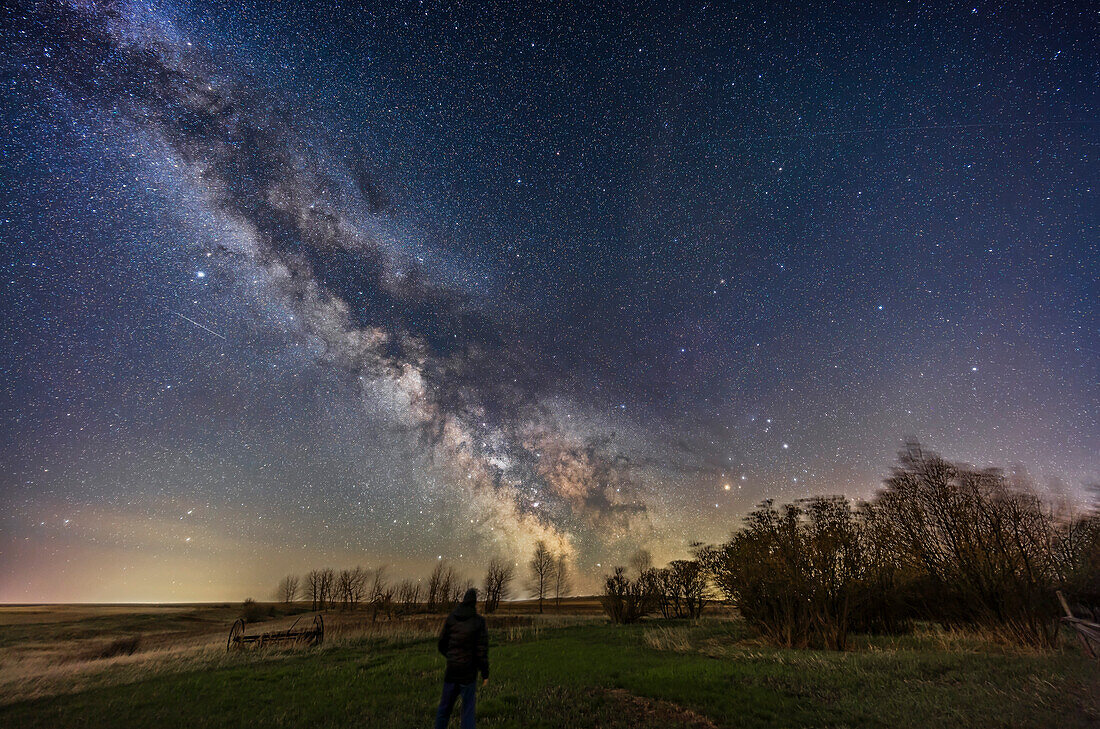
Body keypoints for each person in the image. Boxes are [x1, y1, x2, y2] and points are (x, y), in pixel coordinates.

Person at [434, 587, 489, 729]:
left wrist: (451, 657)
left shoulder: (452, 618)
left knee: (444, 709)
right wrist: (485, 673)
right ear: (474, 602)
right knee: (468, 712)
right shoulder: (478, 622)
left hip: (452, 671)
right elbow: (481, 651)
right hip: (468, 674)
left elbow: (441, 644)